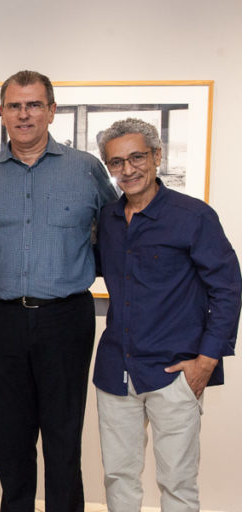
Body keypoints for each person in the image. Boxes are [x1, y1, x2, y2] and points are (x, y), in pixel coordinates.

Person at [0, 70, 118, 511]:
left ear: (51, 110)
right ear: (2, 112)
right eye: (15, 106)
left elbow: (114, 236)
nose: (24, 114)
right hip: (2, 318)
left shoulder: (85, 169)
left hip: (66, 317)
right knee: (11, 438)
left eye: (33, 105)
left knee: (63, 436)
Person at [94, 118, 241, 511]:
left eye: (137, 157)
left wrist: (206, 361)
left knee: (177, 483)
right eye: (116, 162)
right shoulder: (107, 220)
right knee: (118, 477)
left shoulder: (193, 216)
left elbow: (227, 288)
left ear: (157, 156)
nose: (128, 170)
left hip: (175, 370)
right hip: (116, 369)